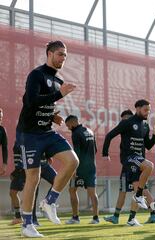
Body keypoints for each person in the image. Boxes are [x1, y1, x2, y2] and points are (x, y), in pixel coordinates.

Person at [16, 40, 79, 237]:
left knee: (72, 161)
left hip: (47, 132)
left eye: (65, 56)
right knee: (32, 178)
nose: (63, 58)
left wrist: (53, 116)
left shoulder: (58, 80)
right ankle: (27, 224)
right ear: (49, 54)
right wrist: (58, 94)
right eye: (60, 54)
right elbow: (31, 101)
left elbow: (45, 104)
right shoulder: (36, 75)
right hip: (29, 134)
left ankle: (50, 201)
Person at [102, 100, 155, 226]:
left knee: (139, 188)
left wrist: (154, 135)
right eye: (145, 110)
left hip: (139, 160)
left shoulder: (145, 125)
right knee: (149, 166)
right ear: (137, 109)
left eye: (149, 110)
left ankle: (132, 219)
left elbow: (148, 146)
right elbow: (109, 136)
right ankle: (140, 199)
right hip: (129, 158)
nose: (148, 112)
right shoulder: (127, 122)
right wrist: (105, 154)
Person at [64, 115, 100, 224]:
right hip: (91, 167)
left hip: (79, 168)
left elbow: (77, 153)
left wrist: (74, 169)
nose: (68, 128)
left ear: (73, 123)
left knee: (72, 190)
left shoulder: (75, 134)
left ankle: (75, 218)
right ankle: (96, 218)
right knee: (92, 193)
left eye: (68, 125)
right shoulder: (90, 131)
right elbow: (96, 150)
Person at [9, 145, 57, 226]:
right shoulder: (20, 140)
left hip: (43, 164)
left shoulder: (42, 135)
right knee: (32, 193)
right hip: (31, 167)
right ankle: (32, 220)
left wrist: (48, 155)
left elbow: (46, 145)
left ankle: (47, 203)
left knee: (58, 180)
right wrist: (16, 171)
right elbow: (19, 159)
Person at [0, 108, 8, 176]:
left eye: (1, 117)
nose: (0, 119)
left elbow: (4, 148)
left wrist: (5, 164)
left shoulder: (2, 130)